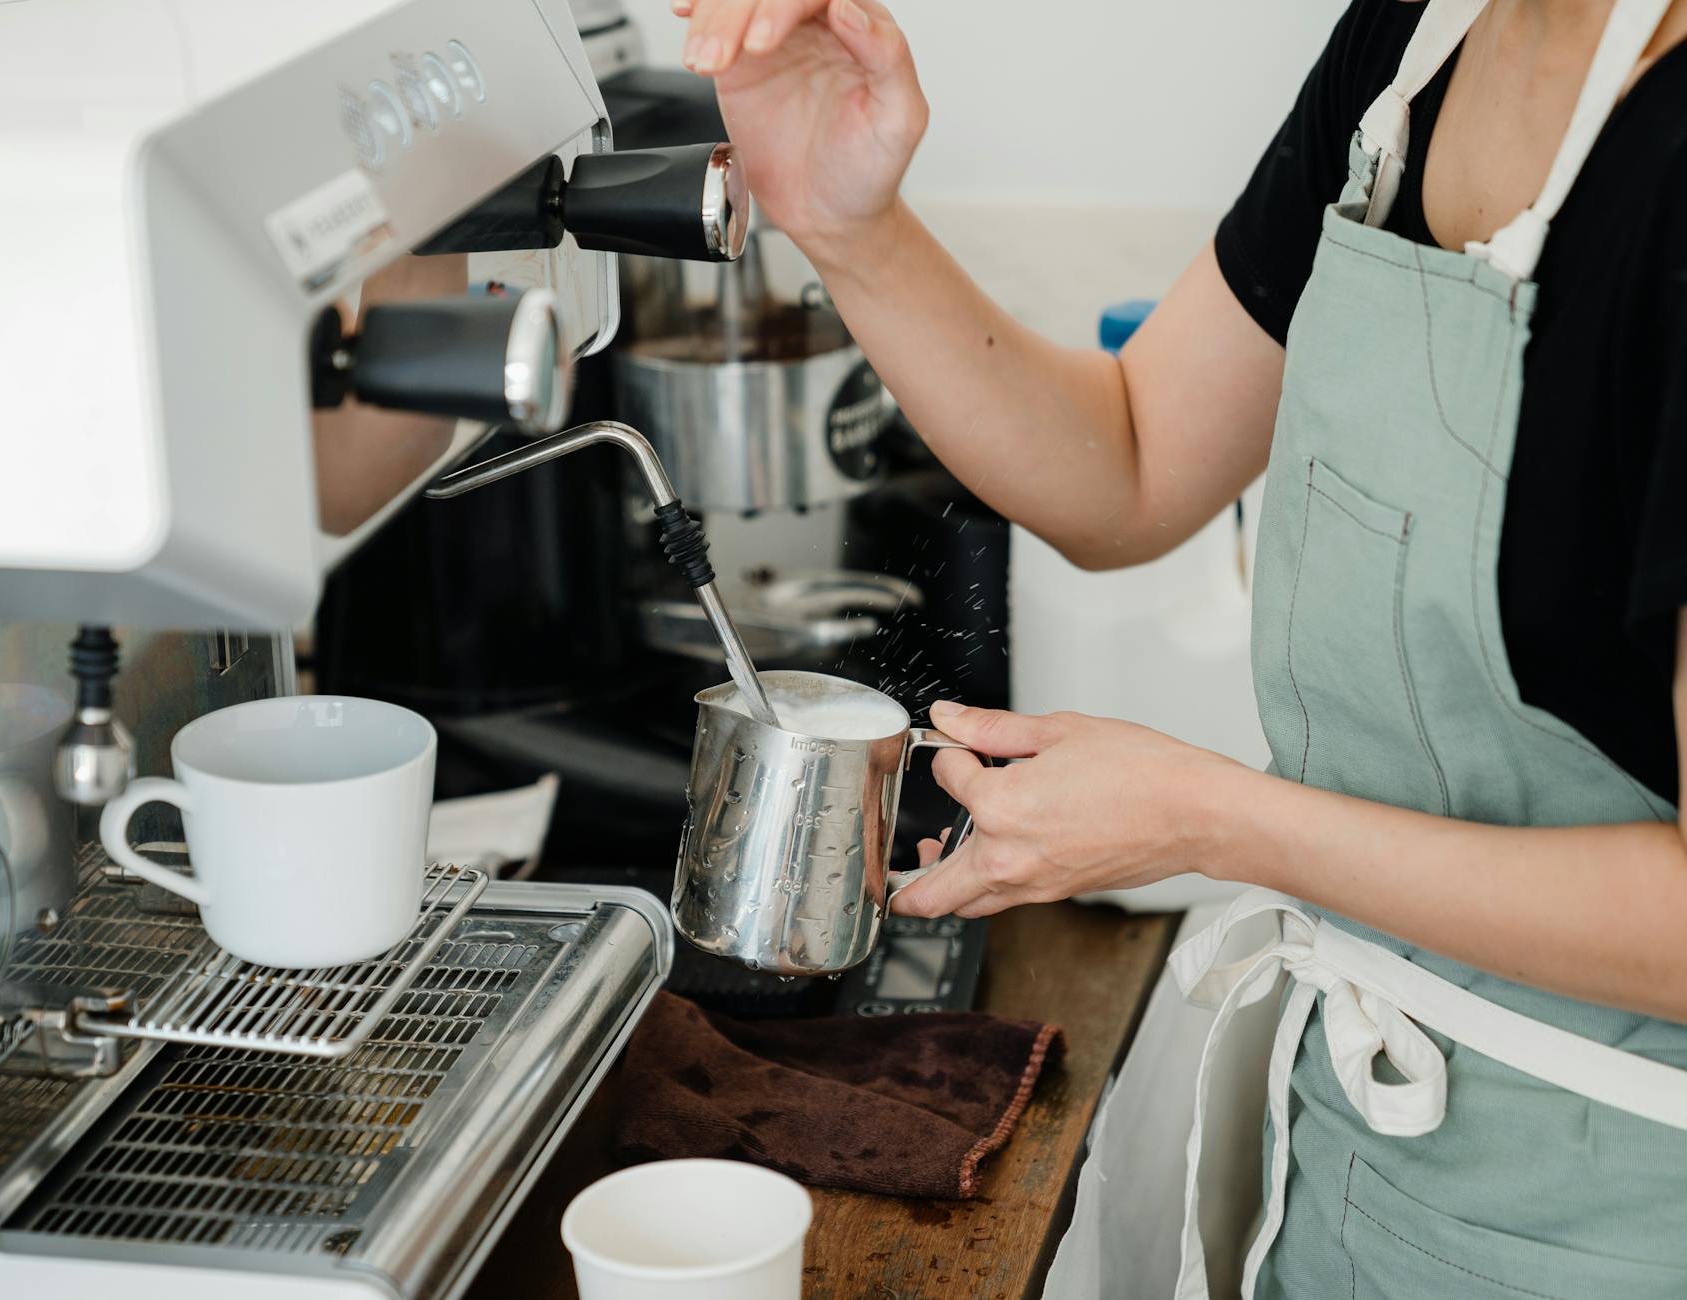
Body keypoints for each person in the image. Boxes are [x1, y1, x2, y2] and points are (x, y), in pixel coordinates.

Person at [669, 0, 1687, 1294]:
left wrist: (1215, 821)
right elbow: (1134, 459)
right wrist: (844, 223)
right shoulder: (1413, 45)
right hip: (1368, 1164)